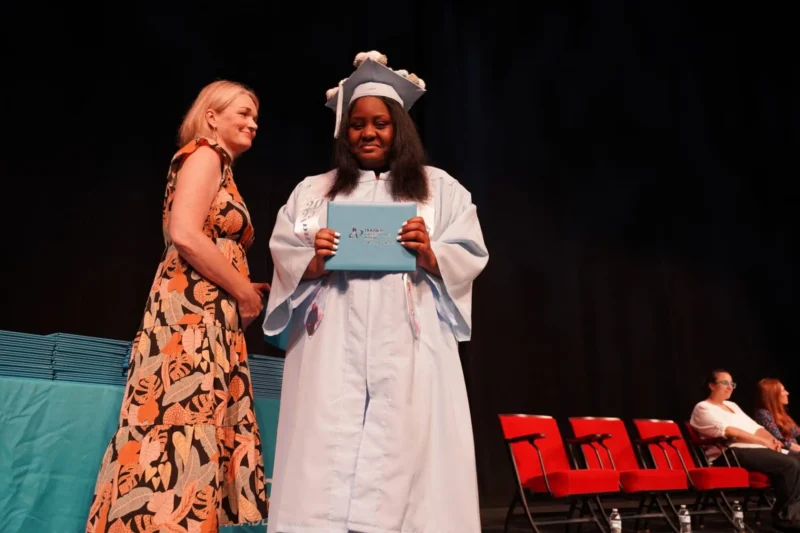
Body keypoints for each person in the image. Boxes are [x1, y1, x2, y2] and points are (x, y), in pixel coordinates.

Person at [262, 51, 489, 533]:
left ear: (399, 129)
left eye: (381, 123)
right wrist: (312, 259)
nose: (368, 133)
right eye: (357, 124)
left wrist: (431, 253)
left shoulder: (439, 191)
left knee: (408, 444)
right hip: (332, 338)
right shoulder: (313, 193)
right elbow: (287, 246)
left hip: (410, 338)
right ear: (344, 133)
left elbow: (469, 250)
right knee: (324, 444)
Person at [85, 80, 270, 533]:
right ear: (212, 116)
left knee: (192, 424)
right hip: (190, 317)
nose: (253, 123)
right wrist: (243, 292)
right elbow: (185, 235)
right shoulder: (205, 153)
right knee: (178, 422)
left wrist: (244, 283)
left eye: (256, 118)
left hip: (206, 313)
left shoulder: (220, 165)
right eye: (243, 113)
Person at [690, 369, 800, 531]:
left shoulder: (731, 405)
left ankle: (793, 514)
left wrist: (771, 440)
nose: (730, 387)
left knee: (797, 460)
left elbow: (755, 427)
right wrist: (763, 441)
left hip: (753, 449)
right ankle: (786, 519)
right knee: (790, 465)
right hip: (728, 454)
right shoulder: (703, 407)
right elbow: (730, 432)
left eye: (732, 384)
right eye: (725, 383)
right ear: (712, 386)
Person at [755, 378, 800, 453]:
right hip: (786, 455)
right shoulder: (763, 414)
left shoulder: (780, 413)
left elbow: (797, 431)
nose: (787, 393)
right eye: (783, 390)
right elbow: (778, 440)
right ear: (773, 395)